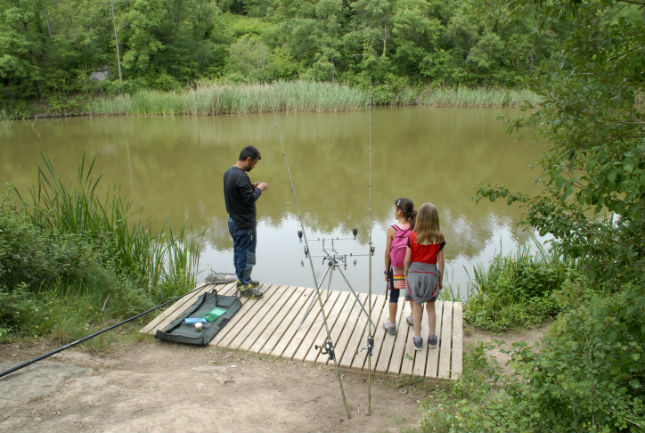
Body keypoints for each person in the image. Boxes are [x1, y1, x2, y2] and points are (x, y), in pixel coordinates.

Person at [223, 145, 269, 298]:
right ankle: (244, 286)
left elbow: (239, 194)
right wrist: (260, 189)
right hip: (244, 224)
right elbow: (249, 199)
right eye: (254, 163)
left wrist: (250, 187)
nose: (254, 166)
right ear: (248, 159)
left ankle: (243, 279)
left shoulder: (229, 172)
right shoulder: (242, 176)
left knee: (238, 251)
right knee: (247, 255)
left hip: (233, 221)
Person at [404, 202, 445, 350]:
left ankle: (418, 339)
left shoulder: (412, 236)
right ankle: (433, 338)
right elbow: (441, 262)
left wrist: (405, 275)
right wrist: (440, 280)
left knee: (416, 307)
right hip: (431, 274)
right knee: (431, 307)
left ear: (419, 218)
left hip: (414, 274)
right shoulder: (439, 238)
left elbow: (407, 259)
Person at [382, 198, 416, 335]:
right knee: (413, 295)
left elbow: (387, 253)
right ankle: (414, 318)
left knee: (394, 295)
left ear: (400, 212)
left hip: (395, 269)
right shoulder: (414, 228)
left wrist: (386, 271)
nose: (394, 212)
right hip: (411, 267)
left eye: (395, 210)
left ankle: (391, 324)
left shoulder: (392, 230)